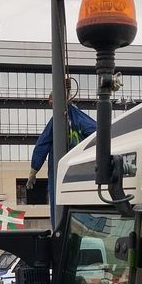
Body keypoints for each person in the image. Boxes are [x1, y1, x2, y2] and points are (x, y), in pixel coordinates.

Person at [27, 93, 97, 223]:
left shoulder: (57, 122)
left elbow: (42, 145)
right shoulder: (79, 118)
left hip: (60, 172)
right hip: (81, 171)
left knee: (59, 204)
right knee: (81, 205)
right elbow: (100, 133)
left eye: (51, 102)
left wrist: (33, 170)